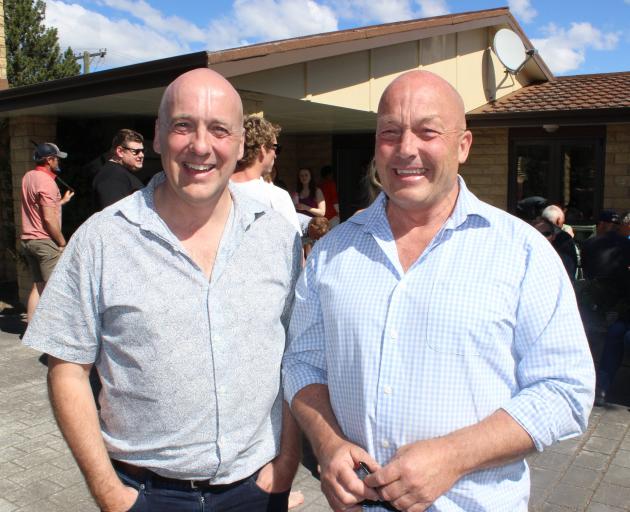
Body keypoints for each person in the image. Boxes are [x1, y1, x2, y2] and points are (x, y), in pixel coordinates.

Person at [283, 70, 595, 512]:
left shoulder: (522, 253)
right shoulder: (333, 251)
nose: (406, 148)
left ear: (463, 146)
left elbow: (565, 389)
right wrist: (329, 443)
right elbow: (303, 362)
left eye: (427, 131)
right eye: (390, 132)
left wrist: (453, 456)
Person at [22, 68, 302, 512]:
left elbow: (296, 357)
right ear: (157, 136)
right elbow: (67, 369)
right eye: (183, 125)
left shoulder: (277, 238)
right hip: (147, 496)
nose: (201, 146)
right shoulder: (101, 240)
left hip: (257, 490)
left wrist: (287, 462)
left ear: (241, 144)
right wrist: (109, 494)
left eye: (219, 129)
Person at [20, 142, 74, 322]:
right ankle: (52, 338)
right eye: (57, 158)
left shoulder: (28, 176)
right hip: (44, 242)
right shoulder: (47, 182)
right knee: (55, 292)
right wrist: (62, 242)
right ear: (49, 160)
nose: (58, 161)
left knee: (39, 286)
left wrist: (61, 202)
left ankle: (32, 331)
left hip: (29, 240)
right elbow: (49, 219)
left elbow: (39, 208)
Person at [230, 115, 301, 234]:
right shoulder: (276, 196)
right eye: (276, 148)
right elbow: (293, 246)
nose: (276, 155)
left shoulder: (217, 190)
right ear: (263, 149)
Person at [91, 128, 145, 211]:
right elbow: (113, 215)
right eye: (136, 151)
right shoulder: (112, 176)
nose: (141, 155)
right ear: (120, 151)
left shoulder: (118, 173)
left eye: (142, 151)